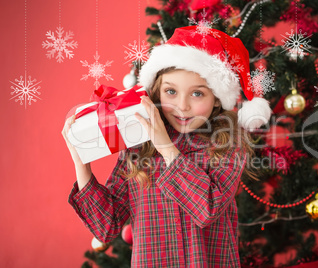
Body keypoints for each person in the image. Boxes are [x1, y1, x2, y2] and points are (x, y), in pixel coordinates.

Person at [62, 26, 271, 267]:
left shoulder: (228, 145)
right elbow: (107, 226)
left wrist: (166, 147)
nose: (182, 106)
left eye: (197, 94)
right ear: (157, 93)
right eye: (171, 91)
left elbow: (207, 209)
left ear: (216, 101)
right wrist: (82, 164)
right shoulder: (138, 146)